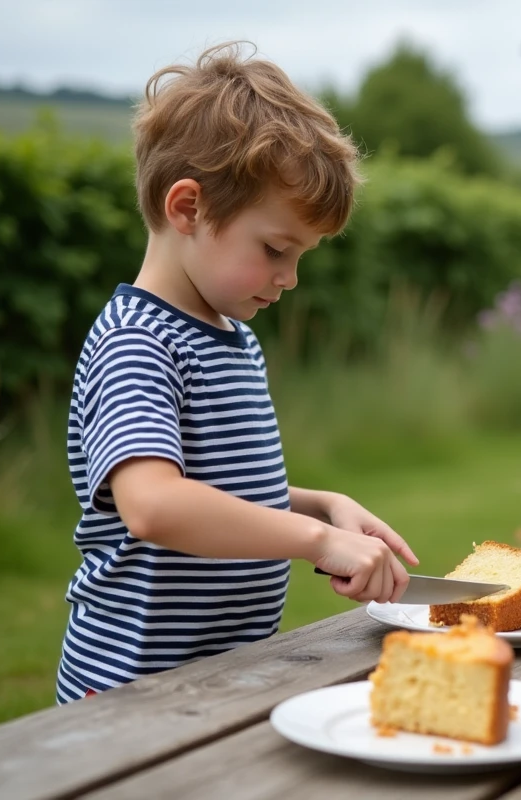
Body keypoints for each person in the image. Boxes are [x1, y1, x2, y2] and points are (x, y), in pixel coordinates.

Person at [55, 41, 418, 703]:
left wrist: (325, 508)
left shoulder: (232, 338)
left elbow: (222, 485)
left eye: (301, 256)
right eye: (276, 249)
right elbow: (154, 504)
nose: (291, 278)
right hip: (130, 696)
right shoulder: (136, 341)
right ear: (187, 208)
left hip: (218, 682)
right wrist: (313, 540)